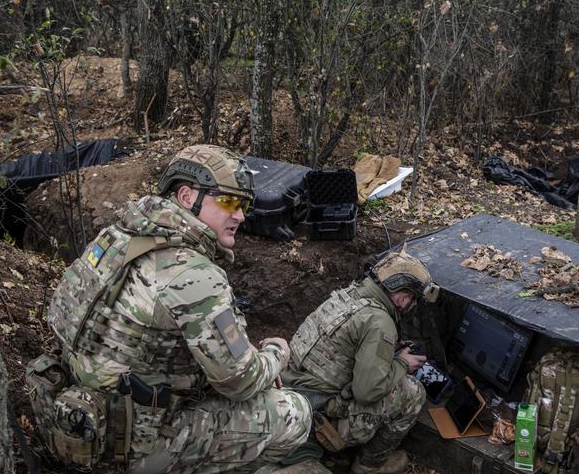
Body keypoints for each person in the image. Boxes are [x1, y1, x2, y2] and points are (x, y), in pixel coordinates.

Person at [39, 145, 314, 473]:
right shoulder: (191, 273)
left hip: (76, 418)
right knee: (294, 411)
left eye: (244, 205)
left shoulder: (114, 237)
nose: (239, 215)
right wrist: (274, 354)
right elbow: (240, 381)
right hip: (133, 449)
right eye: (228, 201)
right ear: (186, 197)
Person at [281, 248, 440, 474]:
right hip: (318, 420)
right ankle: (369, 465)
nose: (411, 306)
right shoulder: (380, 322)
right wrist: (402, 364)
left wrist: (387, 353)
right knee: (413, 392)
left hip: (291, 403)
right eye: (413, 299)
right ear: (403, 296)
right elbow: (367, 392)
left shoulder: (349, 295)